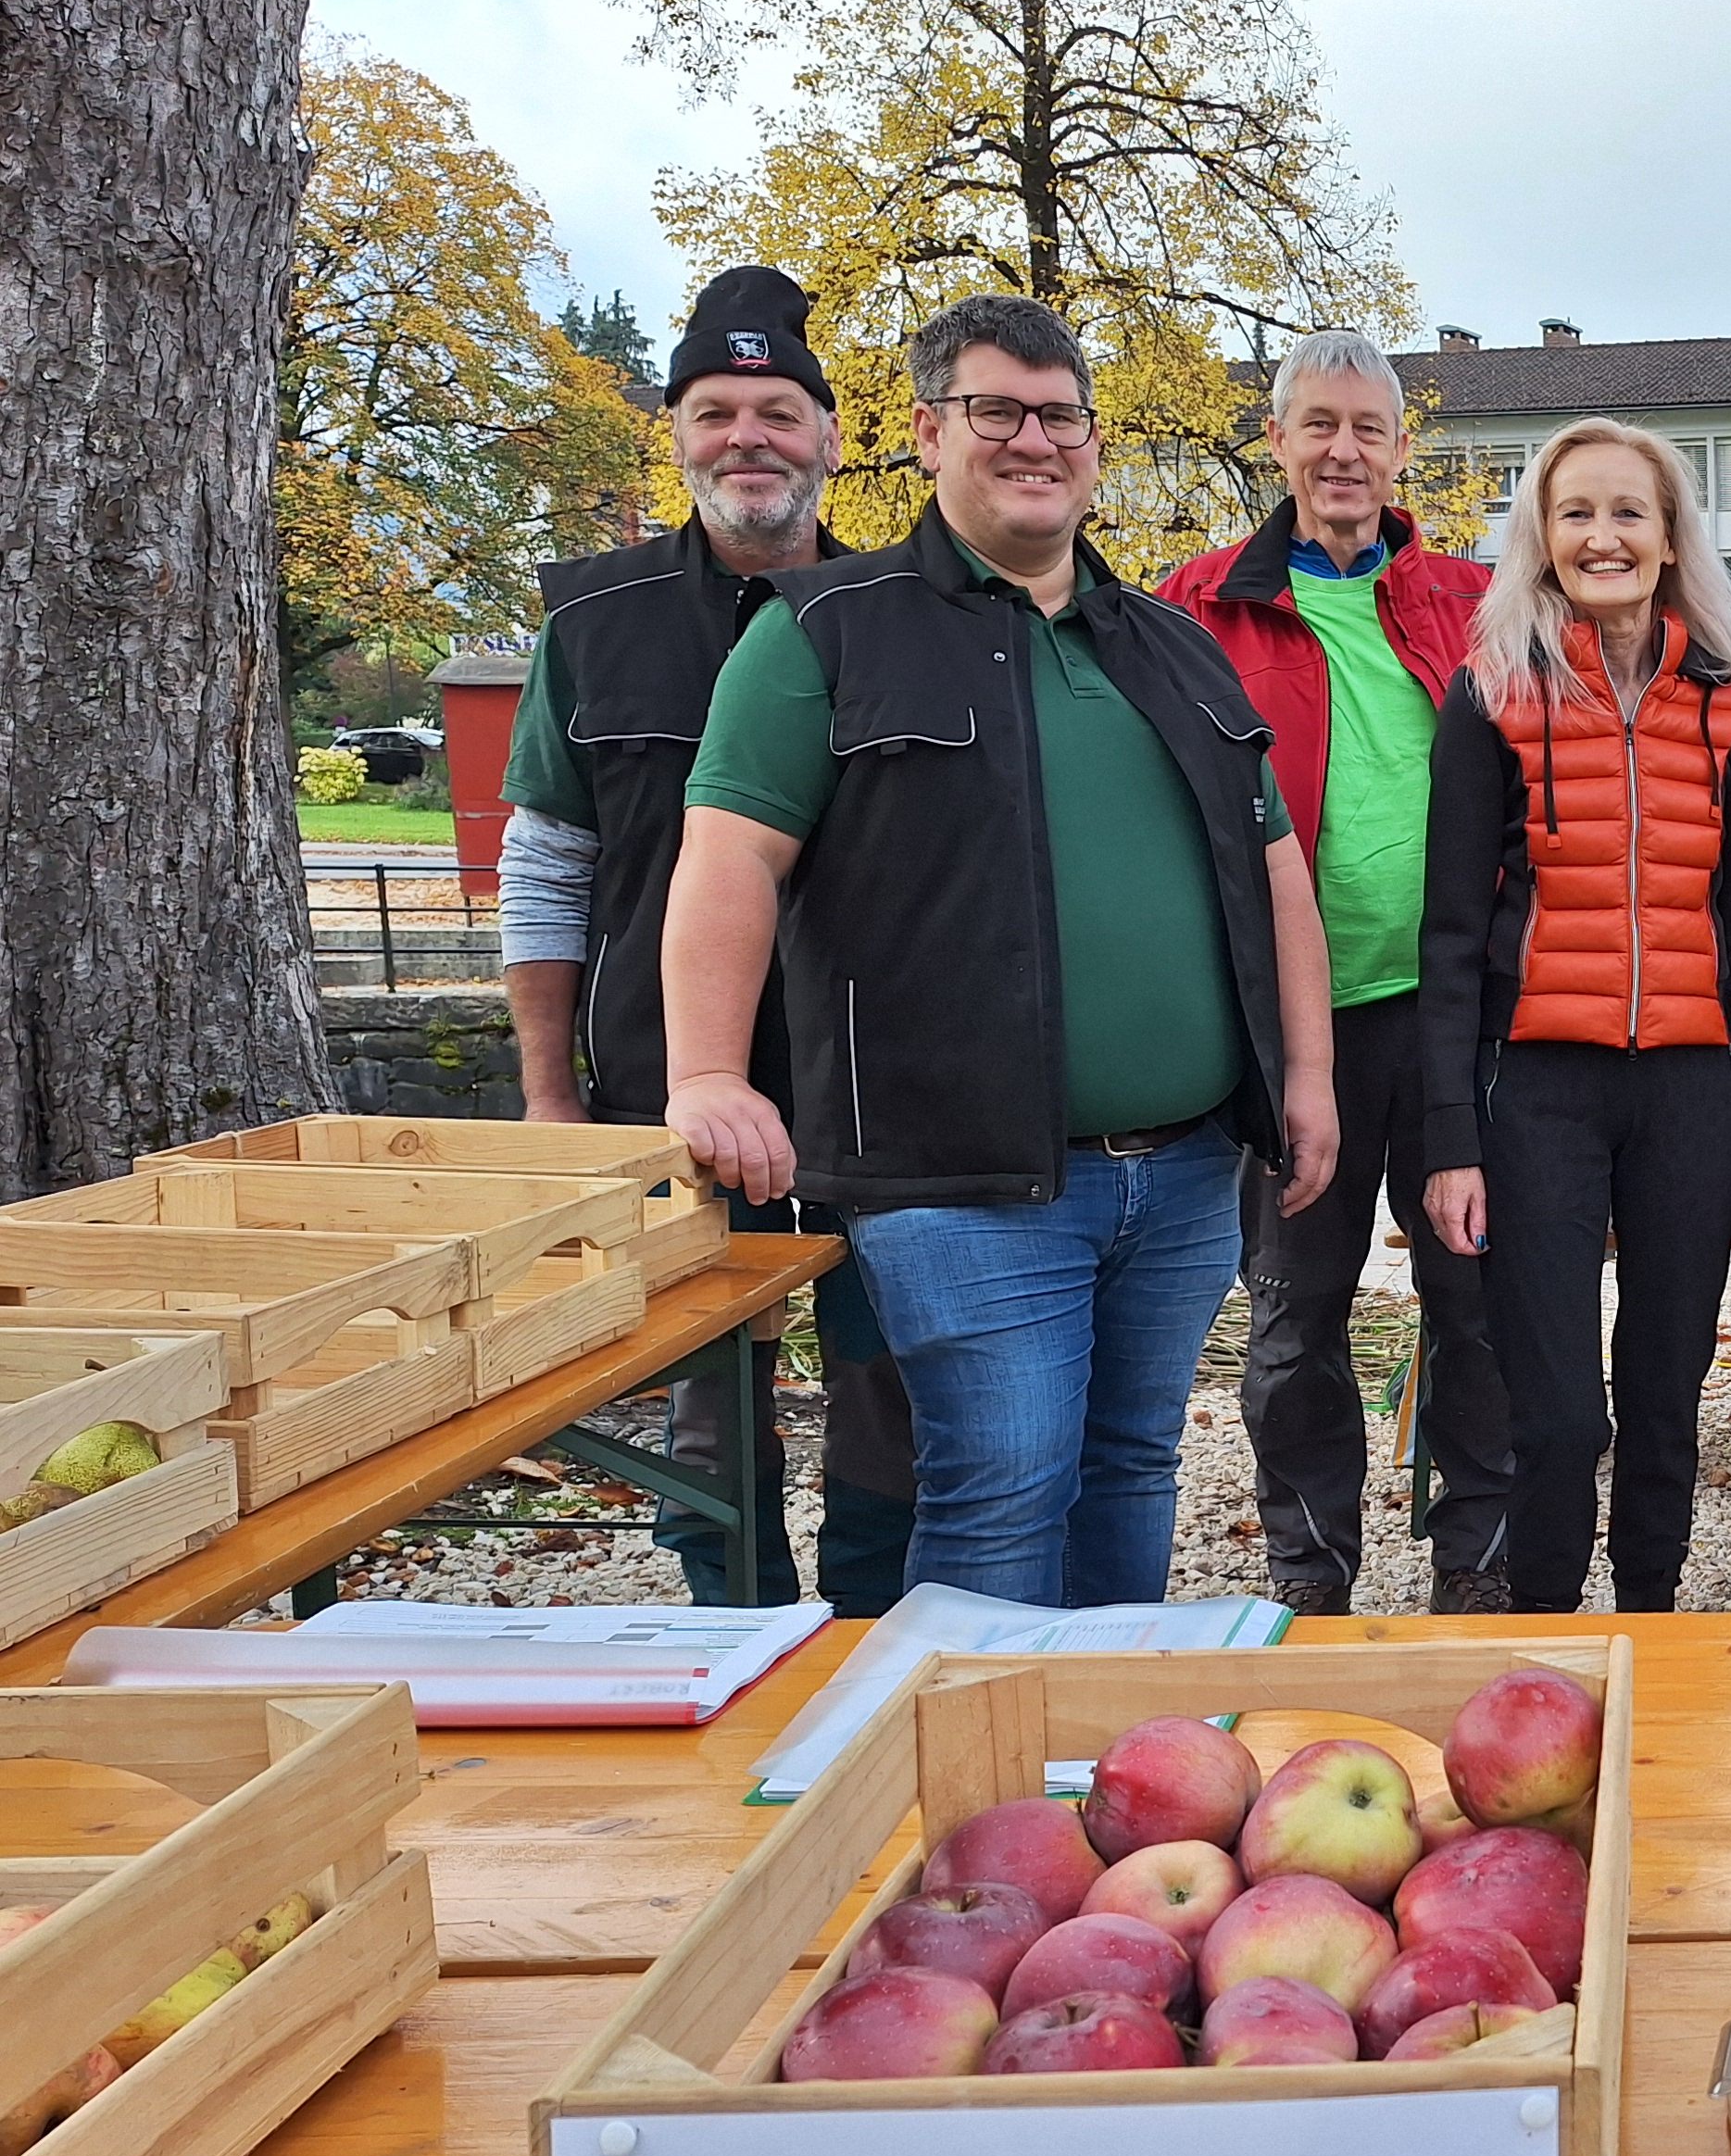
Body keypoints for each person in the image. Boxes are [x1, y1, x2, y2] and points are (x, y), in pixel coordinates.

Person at [657, 293, 1339, 1608]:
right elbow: (729, 857)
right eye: (997, 412)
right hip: (957, 1177)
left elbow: (1275, 874)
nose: (1035, 440)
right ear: (926, 433)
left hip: (1186, 1169)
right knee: (1003, 1479)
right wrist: (706, 1075)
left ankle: (1101, 1779)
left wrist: (1305, 1079)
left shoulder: (1173, 647)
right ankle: (984, 1797)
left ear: (1091, 444)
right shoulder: (820, 634)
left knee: (1132, 1466)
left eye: (1061, 416)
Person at [493, 264, 910, 1611]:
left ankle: (867, 1623)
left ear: (830, 439)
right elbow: (549, 866)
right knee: (708, 1384)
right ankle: (730, 1612)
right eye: (719, 410)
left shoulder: (905, 618)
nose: (751, 438)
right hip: (659, 1082)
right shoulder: (594, 625)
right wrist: (551, 1096)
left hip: (873, 1079)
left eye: (780, 410)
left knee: (885, 1369)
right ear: (676, 433)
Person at [1416, 419, 1731, 1613]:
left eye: (1629, 511)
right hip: (1538, 1091)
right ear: (1540, 535)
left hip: (1691, 1091)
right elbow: (1444, 937)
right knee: (1561, 1410)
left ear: (1671, 534)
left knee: (1664, 1392)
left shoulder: (1730, 704)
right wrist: (1449, 1143)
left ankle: (1652, 1627)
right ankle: (1544, 1637)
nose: (1604, 536)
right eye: (1576, 512)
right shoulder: (1492, 696)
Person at [1159, 332, 1511, 1616]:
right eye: (1318, 426)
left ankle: (1477, 1562)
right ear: (1279, 440)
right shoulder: (1198, 605)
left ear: (1404, 449)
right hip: (1295, 1027)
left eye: (1368, 428)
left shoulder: (1475, 601)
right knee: (1298, 1318)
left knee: (1474, 1299)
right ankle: (1313, 1576)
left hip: (1456, 1022)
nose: (1343, 451)